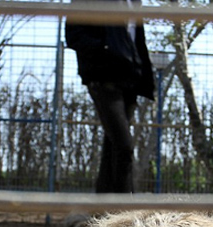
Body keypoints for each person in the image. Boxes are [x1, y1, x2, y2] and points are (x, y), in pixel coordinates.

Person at [65, 0, 154, 193]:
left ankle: (102, 211)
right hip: (103, 79)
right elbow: (73, 35)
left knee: (113, 149)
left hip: (130, 81)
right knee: (124, 147)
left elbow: (136, 39)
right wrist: (105, 50)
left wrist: (142, 72)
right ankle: (124, 214)